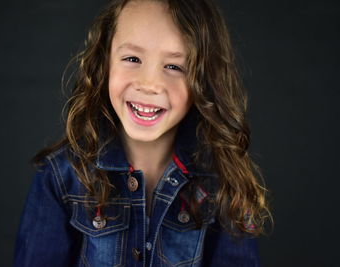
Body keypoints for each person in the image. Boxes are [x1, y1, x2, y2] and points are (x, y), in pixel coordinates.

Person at [14, 0, 271, 266]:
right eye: (132, 59)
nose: (149, 84)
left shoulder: (223, 181)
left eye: (174, 66)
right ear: (105, 63)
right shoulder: (60, 176)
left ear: (204, 80)